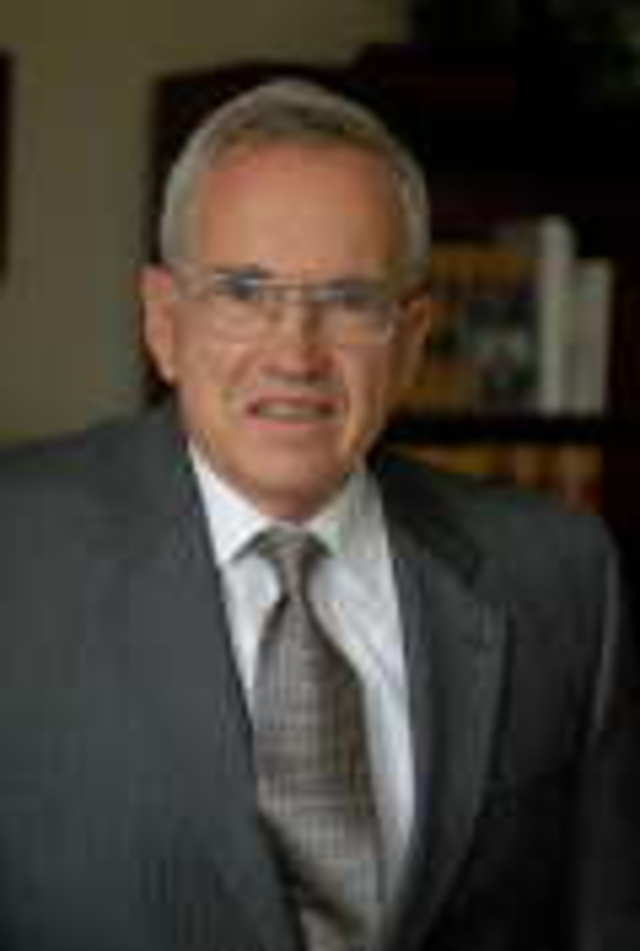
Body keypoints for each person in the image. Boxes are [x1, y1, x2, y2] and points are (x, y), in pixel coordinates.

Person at [0, 77, 636, 951]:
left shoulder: (561, 575)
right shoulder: (16, 555)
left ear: (411, 341)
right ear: (164, 321)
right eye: (244, 290)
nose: (294, 353)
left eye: (348, 300)